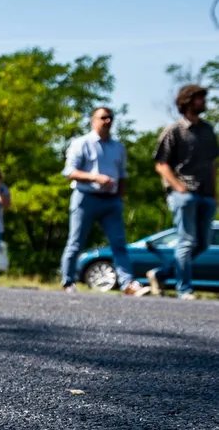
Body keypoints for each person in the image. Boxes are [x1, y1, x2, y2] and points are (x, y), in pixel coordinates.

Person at [59, 106, 150, 296]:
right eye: (104, 118)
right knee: (75, 242)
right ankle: (68, 281)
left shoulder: (119, 147)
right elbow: (69, 172)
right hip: (85, 198)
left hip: (111, 201)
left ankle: (127, 284)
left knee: (119, 244)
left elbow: (123, 175)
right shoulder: (81, 143)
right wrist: (95, 178)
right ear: (94, 121)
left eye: (110, 118)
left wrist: (120, 198)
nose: (108, 121)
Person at [146, 84, 216, 300]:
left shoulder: (207, 129)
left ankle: (160, 274)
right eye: (199, 99)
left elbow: (212, 163)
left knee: (202, 243)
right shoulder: (174, 130)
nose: (203, 102)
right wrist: (179, 188)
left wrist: (214, 193)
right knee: (186, 241)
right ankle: (184, 289)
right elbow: (161, 164)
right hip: (184, 193)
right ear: (187, 102)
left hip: (206, 194)